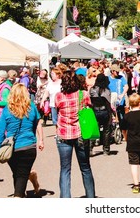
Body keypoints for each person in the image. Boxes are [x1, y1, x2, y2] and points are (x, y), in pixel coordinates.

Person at [0, 83, 44, 197]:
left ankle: (18, 195)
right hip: (29, 146)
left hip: (12, 147)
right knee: (20, 174)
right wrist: (41, 140)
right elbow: (38, 123)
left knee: (19, 174)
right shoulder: (31, 107)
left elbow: (1, 131)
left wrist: (0, 147)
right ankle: (20, 193)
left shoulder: (7, 110)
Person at [55, 70, 95, 198]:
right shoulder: (83, 94)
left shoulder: (59, 96)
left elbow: (56, 110)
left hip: (63, 133)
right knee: (85, 168)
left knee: (65, 169)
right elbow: (89, 107)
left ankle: (66, 199)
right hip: (80, 133)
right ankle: (90, 197)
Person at [122, 93, 140, 193]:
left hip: (132, 143)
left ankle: (135, 184)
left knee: (133, 164)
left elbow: (124, 130)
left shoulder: (127, 116)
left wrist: (126, 138)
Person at [89, 72, 112, 156]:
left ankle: (90, 148)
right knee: (106, 131)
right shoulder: (106, 90)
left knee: (94, 130)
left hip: (95, 111)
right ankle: (106, 150)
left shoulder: (92, 89)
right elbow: (108, 103)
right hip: (104, 111)